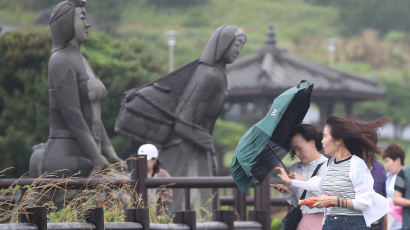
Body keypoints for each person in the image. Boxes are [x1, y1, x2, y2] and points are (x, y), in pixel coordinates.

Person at [159, 25, 246, 213]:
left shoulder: (216, 74)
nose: (239, 50)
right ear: (223, 44)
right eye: (237, 44)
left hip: (196, 146)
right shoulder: (210, 75)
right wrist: (205, 141)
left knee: (201, 202)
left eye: (241, 46)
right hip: (184, 148)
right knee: (188, 202)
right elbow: (181, 122)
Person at [33, 0, 126, 177]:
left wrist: (110, 153)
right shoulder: (60, 60)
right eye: (82, 18)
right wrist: (96, 156)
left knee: (122, 180)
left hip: (89, 152)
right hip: (66, 154)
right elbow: (72, 113)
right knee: (116, 190)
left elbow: (93, 117)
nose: (88, 24)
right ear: (67, 23)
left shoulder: (82, 60)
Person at [275, 115, 390, 229]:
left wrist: (333, 200)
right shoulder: (332, 164)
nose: (322, 141)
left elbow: (364, 202)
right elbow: (319, 184)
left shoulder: (356, 164)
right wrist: (290, 182)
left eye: (325, 136)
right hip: (330, 224)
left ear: (338, 140)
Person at [272, 124, 328, 230]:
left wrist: (303, 181)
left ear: (312, 143)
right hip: (303, 222)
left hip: (325, 222)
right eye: (294, 150)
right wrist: (286, 192)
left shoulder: (328, 166)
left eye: (299, 148)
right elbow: (297, 202)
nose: (297, 153)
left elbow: (328, 196)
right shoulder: (295, 169)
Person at [138, 144, 172, 216]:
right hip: (139, 214)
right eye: (140, 159)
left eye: (145, 160)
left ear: (155, 160)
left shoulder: (162, 175)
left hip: (159, 216)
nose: (142, 162)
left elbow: (168, 197)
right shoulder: (135, 175)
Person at [383, 143, 404, 230]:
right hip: (387, 223)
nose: (386, 165)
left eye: (387, 161)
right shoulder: (388, 177)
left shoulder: (406, 177)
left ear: (398, 161)